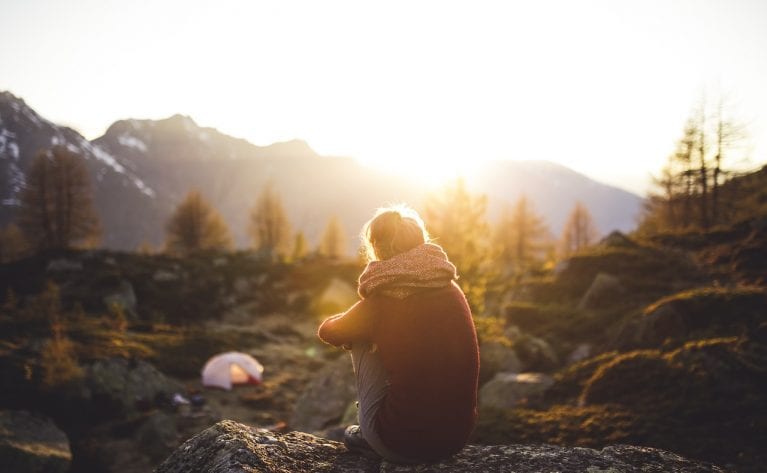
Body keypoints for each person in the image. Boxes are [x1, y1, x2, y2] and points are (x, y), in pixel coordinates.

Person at [317, 205, 480, 464]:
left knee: (359, 335)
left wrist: (363, 319)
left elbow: (329, 332)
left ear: (378, 249)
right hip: (455, 440)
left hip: (399, 444)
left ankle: (370, 429)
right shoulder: (450, 288)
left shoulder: (383, 299)